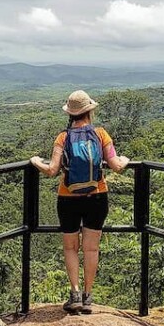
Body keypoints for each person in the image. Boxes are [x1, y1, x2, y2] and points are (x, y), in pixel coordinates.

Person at [30, 90, 129, 314]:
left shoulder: (62, 137)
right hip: (97, 196)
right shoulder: (101, 134)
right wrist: (125, 160)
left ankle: (74, 293)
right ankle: (87, 297)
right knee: (91, 248)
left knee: (70, 247)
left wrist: (36, 161)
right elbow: (116, 165)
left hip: (68, 198)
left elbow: (52, 170)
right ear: (89, 112)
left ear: (70, 114)